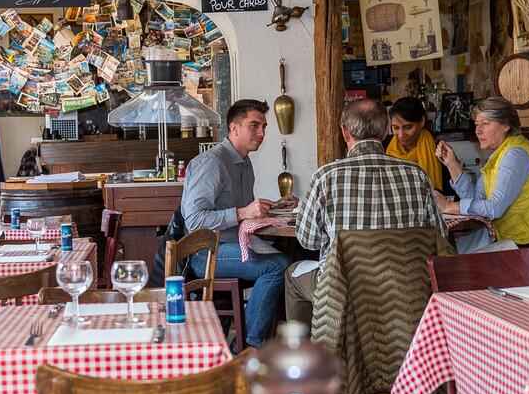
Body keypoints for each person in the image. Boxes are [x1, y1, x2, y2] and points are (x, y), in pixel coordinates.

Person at [284, 100, 445, 322]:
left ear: (345, 132)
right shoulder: (417, 174)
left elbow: (308, 240)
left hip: (344, 289)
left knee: (292, 276)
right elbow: (439, 236)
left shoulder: (326, 177)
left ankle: (308, 344)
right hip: (405, 287)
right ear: (387, 129)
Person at [179, 98, 289, 348]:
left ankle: (259, 340)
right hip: (205, 253)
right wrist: (242, 213)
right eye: (254, 126)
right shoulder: (212, 162)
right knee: (278, 266)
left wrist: (275, 206)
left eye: (264, 127)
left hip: (232, 245)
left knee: (290, 256)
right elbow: (194, 220)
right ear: (234, 128)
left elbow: (245, 213)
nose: (262, 133)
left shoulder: (245, 162)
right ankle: (245, 346)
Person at [435, 98, 529, 280]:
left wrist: (450, 206)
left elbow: (495, 209)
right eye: (477, 124)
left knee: (459, 267)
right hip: (521, 242)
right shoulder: (498, 157)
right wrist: (452, 164)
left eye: (485, 123)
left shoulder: (515, 154)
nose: (478, 130)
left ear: (506, 125)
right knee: (451, 257)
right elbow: (476, 200)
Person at [384, 96, 444, 191]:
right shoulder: (384, 149)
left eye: (408, 127)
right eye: (396, 127)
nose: (401, 135)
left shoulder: (441, 152)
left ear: (422, 122)